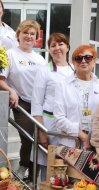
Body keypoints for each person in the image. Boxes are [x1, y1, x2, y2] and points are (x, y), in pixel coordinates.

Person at [0, 20, 47, 182]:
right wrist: (11, 91)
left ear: (36, 37)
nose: (29, 36)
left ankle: (32, 178)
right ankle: (24, 166)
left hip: (40, 105)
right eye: (25, 33)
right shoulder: (10, 54)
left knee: (40, 141)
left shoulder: (40, 59)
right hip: (22, 103)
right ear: (18, 35)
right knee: (28, 139)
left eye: (32, 34)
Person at [30, 33, 74, 182]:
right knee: (48, 169)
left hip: (68, 127)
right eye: (53, 45)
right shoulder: (44, 71)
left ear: (67, 47)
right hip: (49, 126)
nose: (57, 48)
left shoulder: (74, 71)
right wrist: (42, 131)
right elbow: (36, 103)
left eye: (60, 44)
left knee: (67, 166)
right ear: (49, 50)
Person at [54, 44, 99, 151]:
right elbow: (59, 119)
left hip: (96, 145)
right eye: (78, 58)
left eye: (88, 57)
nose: (83, 61)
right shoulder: (63, 85)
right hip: (70, 143)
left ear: (94, 61)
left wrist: (95, 138)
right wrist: (82, 136)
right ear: (73, 62)